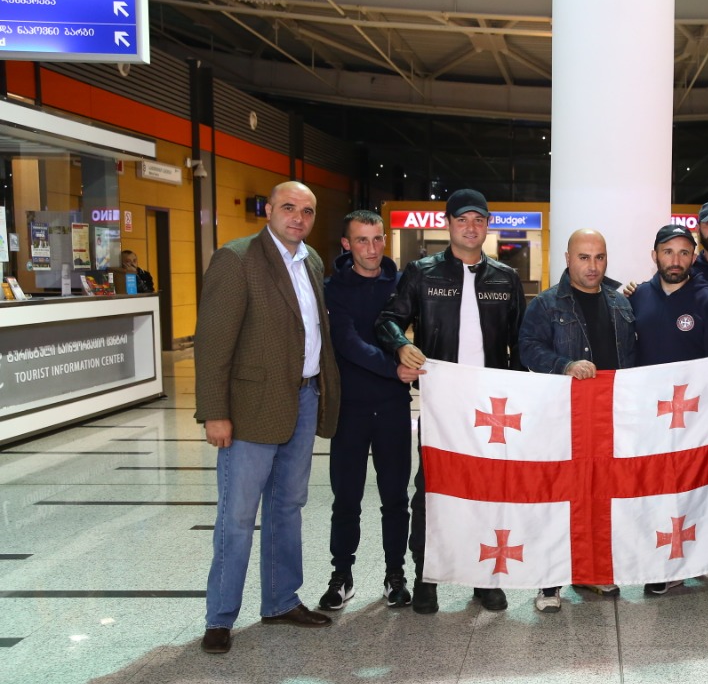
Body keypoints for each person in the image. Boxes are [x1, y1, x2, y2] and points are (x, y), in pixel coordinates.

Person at [194, 180, 340, 654]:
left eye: (307, 210)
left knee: (287, 506)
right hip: (250, 408)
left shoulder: (311, 260)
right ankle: (220, 617)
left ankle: (280, 601)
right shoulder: (236, 259)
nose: (298, 217)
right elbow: (213, 343)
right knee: (237, 514)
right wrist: (215, 413)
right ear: (269, 210)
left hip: (303, 399)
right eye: (288, 207)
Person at [375, 188, 526, 615]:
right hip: (442, 403)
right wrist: (401, 346)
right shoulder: (422, 273)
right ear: (448, 224)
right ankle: (427, 577)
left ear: (487, 225)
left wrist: (527, 388)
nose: (471, 227)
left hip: (492, 409)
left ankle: (484, 579)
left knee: (487, 491)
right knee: (433, 491)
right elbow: (387, 320)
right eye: (462, 219)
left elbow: (521, 342)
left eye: (479, 219)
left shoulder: (505, 278)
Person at [629, 223, 708, 607]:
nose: (675, 260)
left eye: (683, 252)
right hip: (654, 420)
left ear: (693, 257)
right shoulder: (636, 298)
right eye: (668, 252)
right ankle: (668, 565)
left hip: (698, 421)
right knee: (661, 492)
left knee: (706, 490)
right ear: (655, 255)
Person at [519, 228, 636, 612]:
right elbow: (527, 349)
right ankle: (549, 582)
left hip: (606, 422)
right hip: (562, 420)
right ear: (568, 259)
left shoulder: (620, 303)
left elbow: (631, 358)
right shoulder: (546, 304)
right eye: (584, 257)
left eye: (599, 257)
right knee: (558, 498)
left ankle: (590, 572)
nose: (592, 265)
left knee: (599, 496)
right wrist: (564, 365)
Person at [319, 210, 420, 612]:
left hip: (393, 406)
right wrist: (395, 368)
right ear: (347, 244)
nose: (372, 248)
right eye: (362, 240)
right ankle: (341, 575)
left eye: (377, 238)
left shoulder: (401, 283)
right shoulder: (333, 289)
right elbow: (347, 343)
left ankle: (395, 576)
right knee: (346, 499)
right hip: (350, 408)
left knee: (395, 498)